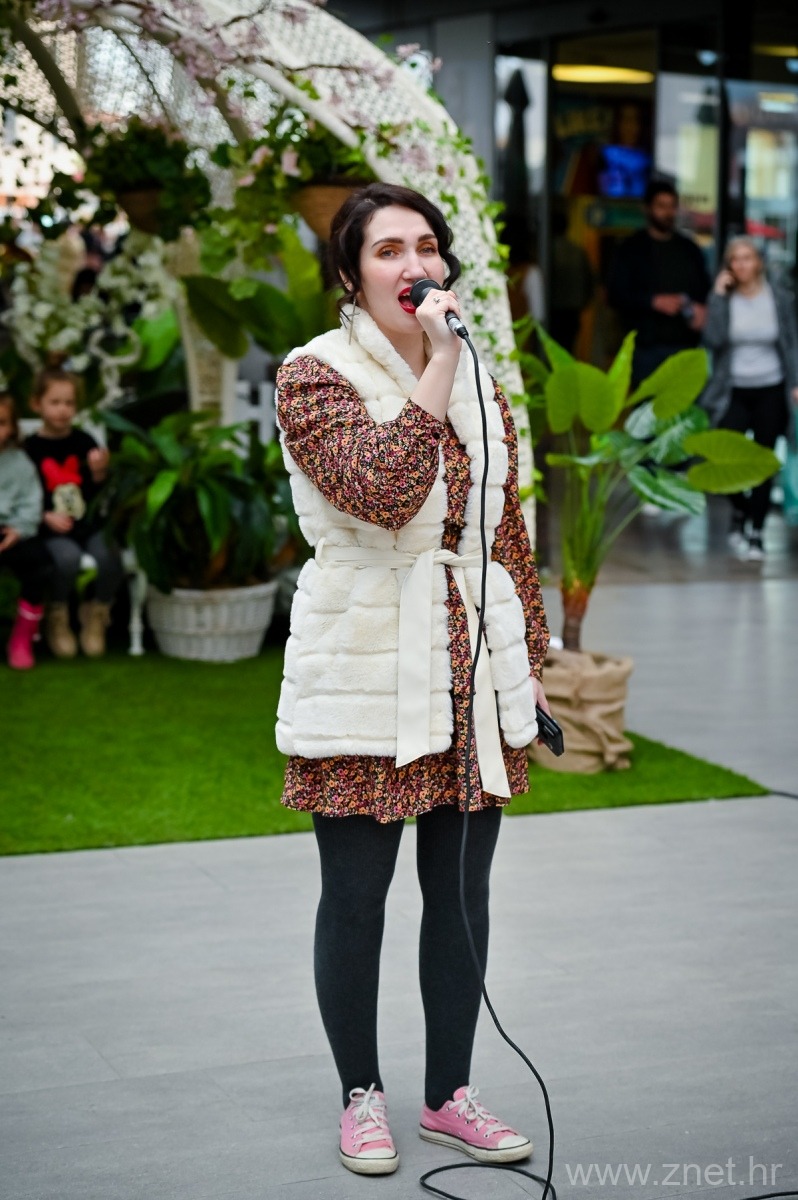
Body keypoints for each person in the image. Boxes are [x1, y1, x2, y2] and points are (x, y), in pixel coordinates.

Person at [274, 182, 551, 1177]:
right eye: (387, 249)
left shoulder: (477, 372)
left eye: (426, 245)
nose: (413, 264)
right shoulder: (313, 375)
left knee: (463, 894)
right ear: (351, 276)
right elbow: (387, 493)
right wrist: (436, 365)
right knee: (356, 898)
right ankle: (362, 1096)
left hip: (468, 664)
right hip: (361, 660)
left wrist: (532, 666)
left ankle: (448, 1096)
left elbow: (501, 529)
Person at [699, 236, 798, 561]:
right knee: (724, 458)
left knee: (763, 460)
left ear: (759, 262)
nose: (741, 264)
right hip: (732, 390)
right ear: (728, 265)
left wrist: (796, 383)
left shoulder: (779, 296)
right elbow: (712, 340)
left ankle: (756, 531)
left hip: (771, 387)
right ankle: (740, 508)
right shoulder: (724, 298)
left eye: (747, 257)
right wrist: (717, 296)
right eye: (735, 259)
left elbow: (791, 342)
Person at [23, 367, 124, 657]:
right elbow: (25, 493)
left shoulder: (85, 442)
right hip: (51, 528)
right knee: (66, 560)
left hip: (87, 523)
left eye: (69, 403)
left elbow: (97, 493)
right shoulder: (29, 449)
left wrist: (99, 474)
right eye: (55, 402)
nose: (63, 410)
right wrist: (45, 516)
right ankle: (58, 614)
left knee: (109, 556)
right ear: (37, 404)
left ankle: (97, 612)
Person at [606, 179, 711, 386]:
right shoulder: (631, 249)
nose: (668, 213)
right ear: (647, 208)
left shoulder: (689, 249)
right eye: (661, 206)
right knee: (645, 405)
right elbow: (615, 295)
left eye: (672, 206)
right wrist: (652, 302)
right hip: (645, 347)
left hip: (684, 344)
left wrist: (701, 310)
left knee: (683, 404)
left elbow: (705, 290)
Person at [0, 393, 52, 669]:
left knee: (39, 564)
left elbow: (32, 503)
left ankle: (22, 637)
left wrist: (18, 530)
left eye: (1, 423)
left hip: (11, 531)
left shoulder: (20, 462)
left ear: (11, 428)